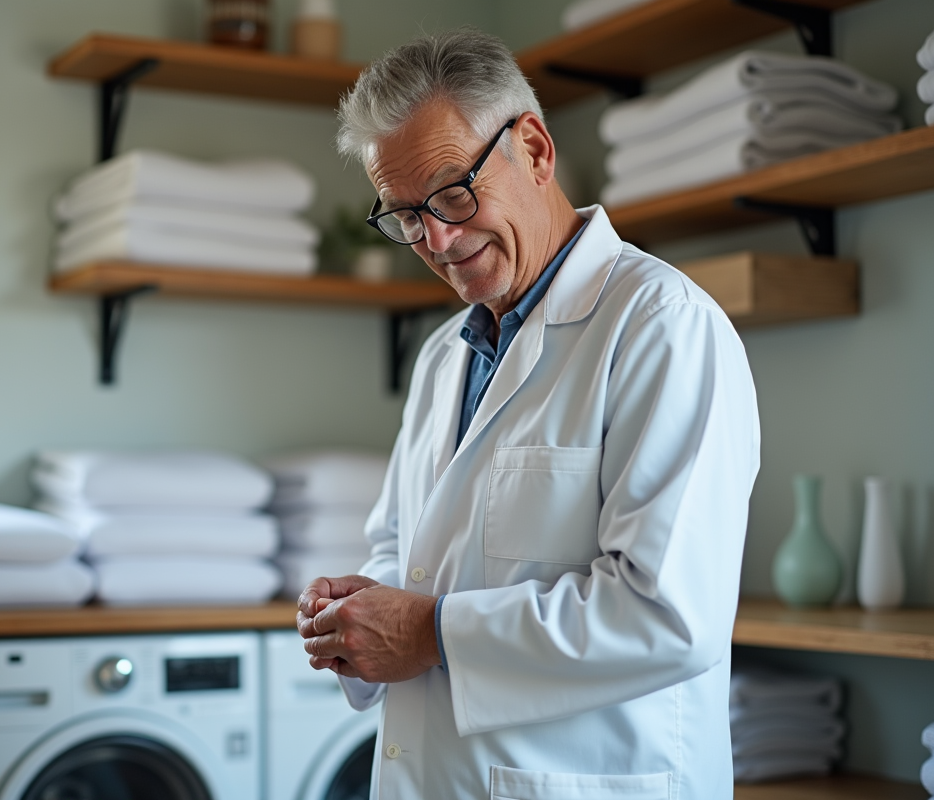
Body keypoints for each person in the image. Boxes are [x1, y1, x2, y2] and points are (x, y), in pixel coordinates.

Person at [295, 28, 761, 800]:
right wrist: (359, 612)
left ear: (536, 151)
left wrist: (428, 633)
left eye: (452, 193)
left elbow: (668, 614)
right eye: (406, 215)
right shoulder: (447, 352)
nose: (437, 240)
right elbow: (400, 545)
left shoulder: (664, 325)